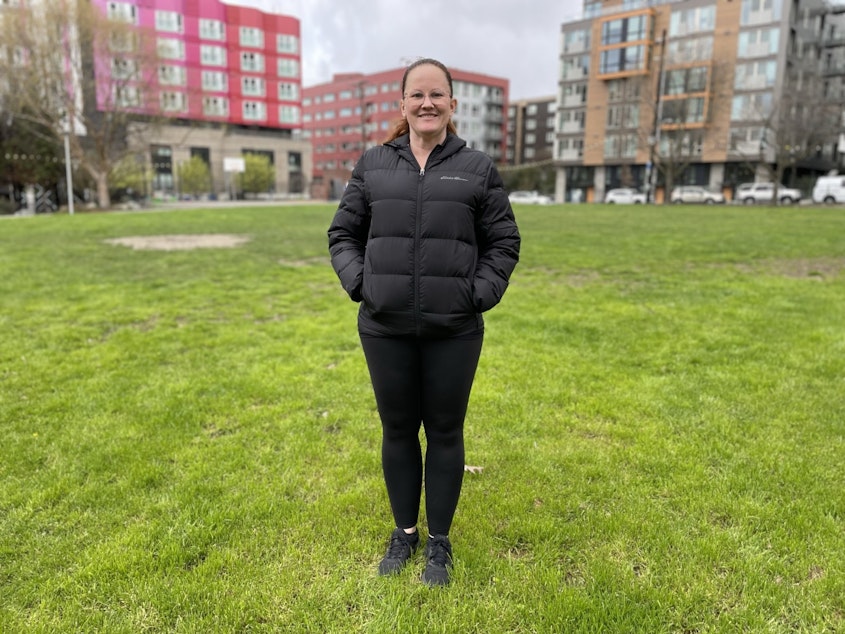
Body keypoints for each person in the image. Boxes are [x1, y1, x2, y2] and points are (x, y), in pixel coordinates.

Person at [327, 58, 520, 586]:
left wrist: (475, 295)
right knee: (396, 430)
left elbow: (504, 242)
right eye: (417, 94)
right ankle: (404, 533)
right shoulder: (373, 165)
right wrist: (363, 285)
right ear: (403, 103)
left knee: (444, 431)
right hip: (384, 326)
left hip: (453, 329)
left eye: (438, 95)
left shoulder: (476, 168)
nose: (427, 103)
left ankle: (439, 542)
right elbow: (342, 235)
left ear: (452, 105)